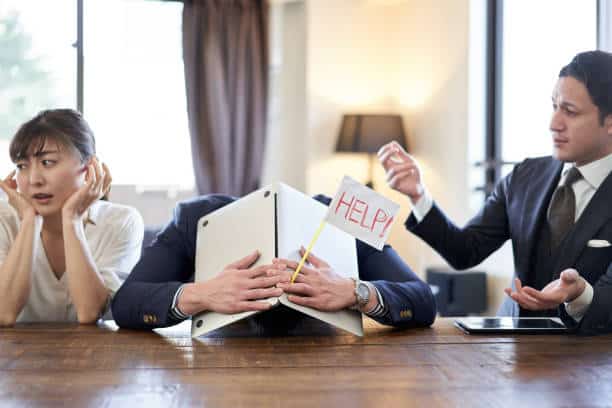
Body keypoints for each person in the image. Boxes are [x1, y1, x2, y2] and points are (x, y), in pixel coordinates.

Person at [378, 50, 612, 335]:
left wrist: (579, 294)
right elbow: (465, 250)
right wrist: (418, 195)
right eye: (554, 106)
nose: (554, 123)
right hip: (511, 351)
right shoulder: (524, 176)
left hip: (593, 366)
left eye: (570, 111)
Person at [111, 194, 436, 331]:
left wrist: (356, 292)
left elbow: (423, 301)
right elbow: (126, 303)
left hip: (331, 367)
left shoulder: (341, 216)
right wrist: (201, 294)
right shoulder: (193, 219)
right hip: (223, 367)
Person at [0, 109, 143, 326]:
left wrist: (72, 219)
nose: (33, 179)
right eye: (22, 166)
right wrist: (29, 221)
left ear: (89, 168)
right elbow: (3, 313)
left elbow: (89, 312)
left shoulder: (121, 222)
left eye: (47, 162)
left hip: (90, 357)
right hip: (15, 358)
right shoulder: (4, 219)